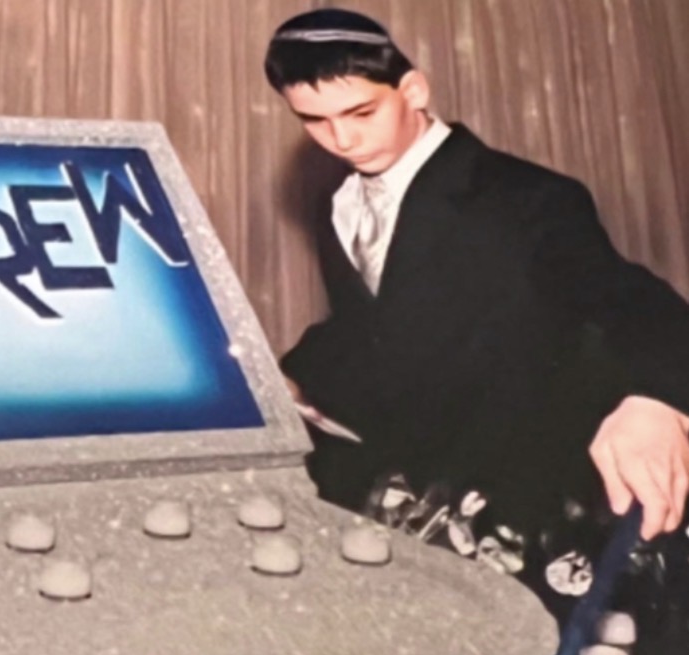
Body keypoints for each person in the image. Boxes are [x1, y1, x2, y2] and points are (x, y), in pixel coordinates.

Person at [263, 8, 689, 598]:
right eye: (313, 121)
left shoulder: (529, 197)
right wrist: (282, 377)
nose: (341, 139)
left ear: (413, 90)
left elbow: (636, 303)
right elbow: (378, 325)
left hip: (538, 507)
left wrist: (656, 400)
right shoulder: (338, 205)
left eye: (361, 113)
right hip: (421, 501)